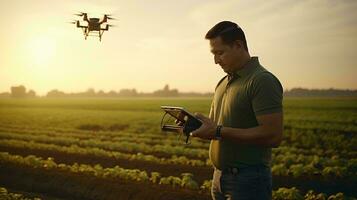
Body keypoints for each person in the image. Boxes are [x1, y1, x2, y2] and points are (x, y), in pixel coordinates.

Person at [190, 21, 284, 200]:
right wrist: (195, 126)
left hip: (248, 181)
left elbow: (273, 135)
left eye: (220, 53)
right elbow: (216, 128)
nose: (216, 60)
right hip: (219, 178)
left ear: (238, 45)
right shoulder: (223, 82)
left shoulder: (261, 80)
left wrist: (217, 130)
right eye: (213, 54)